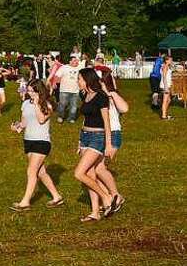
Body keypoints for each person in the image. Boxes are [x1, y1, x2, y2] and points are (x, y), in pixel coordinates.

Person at [10, 80, 63, 211]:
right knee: (41, 172)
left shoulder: (48, 105)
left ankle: (25, 202)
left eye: (32, 91)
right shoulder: (25, 104)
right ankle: (57, 197)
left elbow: (41, 119)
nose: (30, 93)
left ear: (39, 91)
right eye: (28, 91)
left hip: (42, 142)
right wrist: (17, 127)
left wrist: (37, 104)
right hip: (28, 141)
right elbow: (24, 122)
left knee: (31, 171)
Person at [73, 68, 116, 222]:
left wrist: (109, 144)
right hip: (85, 137)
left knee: (78, 173)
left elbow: (106, 122)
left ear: (87, 80)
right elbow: (85, 119)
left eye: (79, 79)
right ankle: (95, 212)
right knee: (90, 175)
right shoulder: (84, 95)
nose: (77, 82)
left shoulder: (101, 97)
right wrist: (80, 140)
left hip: (98, 137)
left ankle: (107, 197)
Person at [96, 71, 129, 217]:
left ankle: (114, 196)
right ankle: (108, 199)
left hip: (113, 133)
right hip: (97, 134)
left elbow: (125, 109)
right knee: (95, 169)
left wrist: (111, 92)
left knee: (98, 168)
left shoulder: (110, 96)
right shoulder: (94, 96)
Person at [55, 55, 82, 123]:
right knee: (62, 105)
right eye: (74, 60)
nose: (76, 62)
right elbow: (57, 75)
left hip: (75, 91)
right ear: (70, 61)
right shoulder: (64, 67)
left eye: (76, 61)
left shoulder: (79, 69)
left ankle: (71, 118)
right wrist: (55, 83)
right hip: (64, 90)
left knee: (74, 106)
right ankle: (60, 117)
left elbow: (81, 79)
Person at [159, 53, 174, 120]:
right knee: (165, 101)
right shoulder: (165, 67)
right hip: (165, 86)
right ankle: (164, 116)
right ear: (166, 60)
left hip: (167, 85)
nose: (171, 61)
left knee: (168, 100)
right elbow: (164, 77)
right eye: (170, 60)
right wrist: (166, 87)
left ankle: (164, 113)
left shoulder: (167, 66)